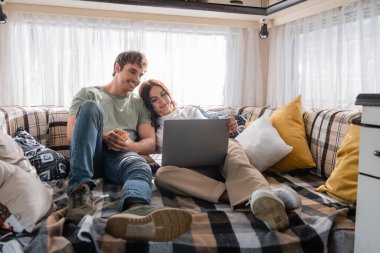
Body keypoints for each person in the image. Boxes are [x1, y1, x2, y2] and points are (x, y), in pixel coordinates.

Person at [139, 79, 302, 231]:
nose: (162, 101)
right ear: (149, 105)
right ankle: (260, 197)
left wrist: (225, 128)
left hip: (218, 162)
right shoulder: (151, 128)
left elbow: (211, 133)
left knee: (231, 144)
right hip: (193, 174)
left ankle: (260, 196)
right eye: (154, 100)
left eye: (163, 94)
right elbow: (150, 153)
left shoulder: (189, 111)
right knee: (161, 175)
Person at [65, 51, 192, 242]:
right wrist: (104, 135)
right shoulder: (89, 93)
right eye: (132, 72)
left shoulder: (139, 103)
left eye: (141, 75)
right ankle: (79, 192)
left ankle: (135, 210)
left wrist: (129, 145)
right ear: (117, 67)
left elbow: (149, 142)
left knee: (140, 166)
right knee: (91, 107)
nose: (136, 80)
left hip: (121, 156)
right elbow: (71, 135)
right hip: (91, 154)